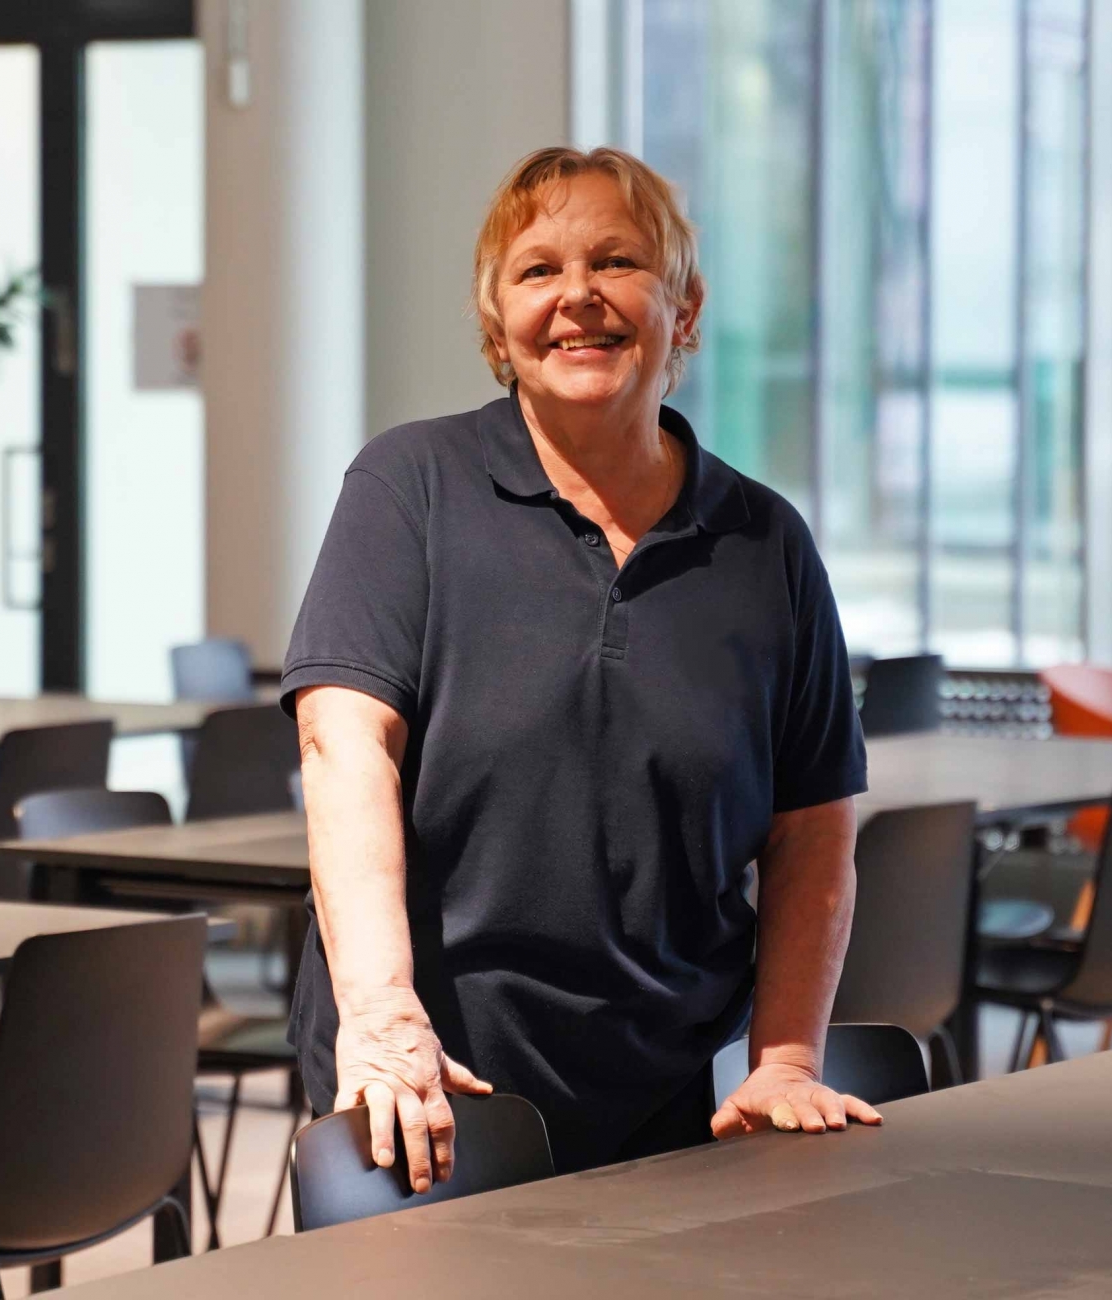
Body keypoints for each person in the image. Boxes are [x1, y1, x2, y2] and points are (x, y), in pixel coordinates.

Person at [280, 145, 875, 1186]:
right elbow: (343, 745)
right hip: (432, 1081)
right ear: (495, 321)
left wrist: (784, 1057)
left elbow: (812, 830)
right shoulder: (410, 486)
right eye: (538, 270)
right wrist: (380, 1016)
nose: (577, 296)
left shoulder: (764, 543)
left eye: (616, 261)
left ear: (684, 307)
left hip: (680, 1100)